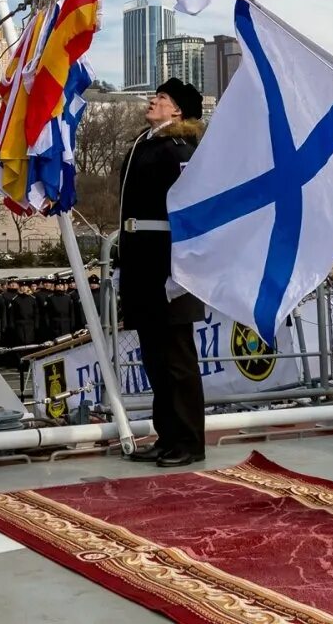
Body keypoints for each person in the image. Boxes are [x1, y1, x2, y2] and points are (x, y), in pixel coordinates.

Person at [118, 78, 207, 468]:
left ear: (178, 111)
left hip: (170, 261)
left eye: (163, 98)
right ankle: (167, 435)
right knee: (154, 354)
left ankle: (189, 441)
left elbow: (192, 211)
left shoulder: (180, 149)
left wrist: (181, 268)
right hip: (142, 259)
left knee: (177, 356)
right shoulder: (146, 143)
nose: (154, 101)